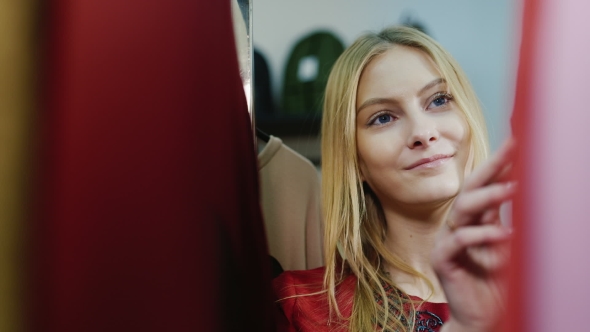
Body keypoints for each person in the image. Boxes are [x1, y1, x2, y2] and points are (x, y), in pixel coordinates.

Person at [272, 25, 515, 332]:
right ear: (355, 158)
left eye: (439, 100)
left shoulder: (551, 285)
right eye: (383, 117)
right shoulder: (301, 309)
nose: (423, 132)